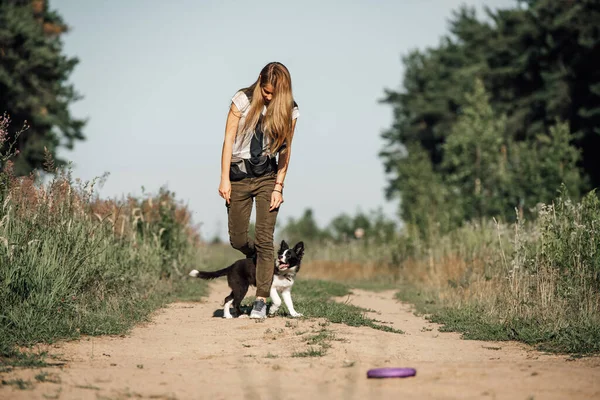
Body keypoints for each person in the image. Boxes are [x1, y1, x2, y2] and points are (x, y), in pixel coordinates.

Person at [218, 62, 299, 319]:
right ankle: (260, 259)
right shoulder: (241, 100)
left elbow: (286, 150)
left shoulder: (289, 110)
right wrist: (224, 179)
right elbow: (228, 139)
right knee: (238, 239)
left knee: (266, 239)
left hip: (267, 176)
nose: (269, 97)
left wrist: (279, 186)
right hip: (239, 175)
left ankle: (261, 301)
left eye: (275, 94)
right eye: (266, 91)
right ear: (259, 81)